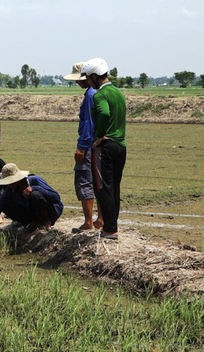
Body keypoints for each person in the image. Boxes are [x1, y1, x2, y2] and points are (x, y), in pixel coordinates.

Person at [82, 58, 127, 240]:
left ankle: (109, 228)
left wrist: (99, 135)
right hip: (120, 145)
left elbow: (104, 112)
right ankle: (112, 225)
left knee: (102, 187)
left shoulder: (100, 95)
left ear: (94, 76)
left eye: (88, 77)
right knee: (114, 187)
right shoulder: (118, 93)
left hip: (105, 147)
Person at [0, 163, 63, 244]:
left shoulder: (34, 180)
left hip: (52, 212)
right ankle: (32, 223)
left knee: (35, 195)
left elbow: (56, 198)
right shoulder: (10, 190)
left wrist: (35, 189)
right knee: (3, 203)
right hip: (33, 213)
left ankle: (46, 223)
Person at [63, 62, 104, 233]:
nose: (77, 83)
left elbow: (88, 123)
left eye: (79, 79)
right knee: (98, 181)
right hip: (98, 145)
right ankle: (101, 219)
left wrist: (81, 147)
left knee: (84, 180)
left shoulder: (90, 96)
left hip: (88, 145)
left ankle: (88, 222)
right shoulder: (99, 93)